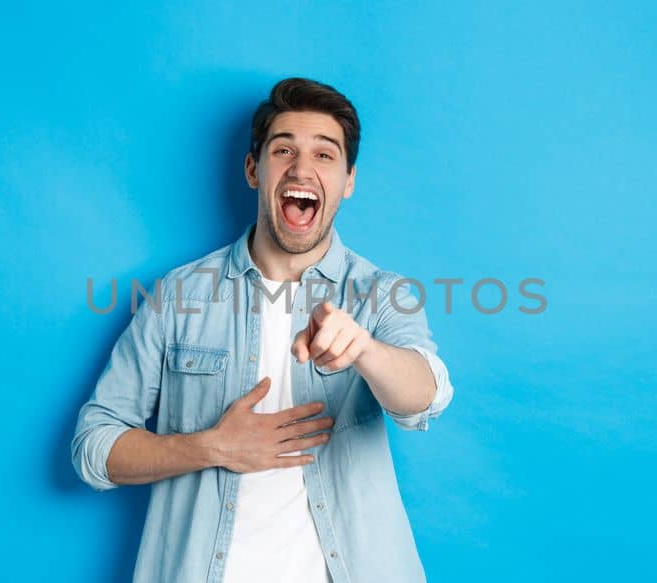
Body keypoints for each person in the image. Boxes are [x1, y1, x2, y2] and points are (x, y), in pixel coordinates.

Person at [72, 77, 454, 582]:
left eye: (324, 155)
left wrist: (364, 349)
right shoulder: (177, 296)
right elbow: (93, 447)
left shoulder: (381, 294)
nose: (301, 168)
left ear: (348, 180)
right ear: (254, 169)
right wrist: (211, 446)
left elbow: (427, 394)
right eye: (283, 150)